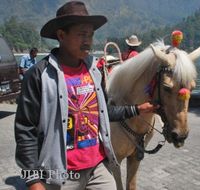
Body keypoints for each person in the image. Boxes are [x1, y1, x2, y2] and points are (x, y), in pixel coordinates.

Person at [14, 1, 158, 190]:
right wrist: (33, 180)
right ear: (61, 35)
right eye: (81, 34)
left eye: (90, 35)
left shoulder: (94, 72)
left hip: (97, 168)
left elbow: (104, 112)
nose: (88, 41)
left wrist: (137, 109)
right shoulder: (39, 75)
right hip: (59, 172)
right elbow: (25, 130)